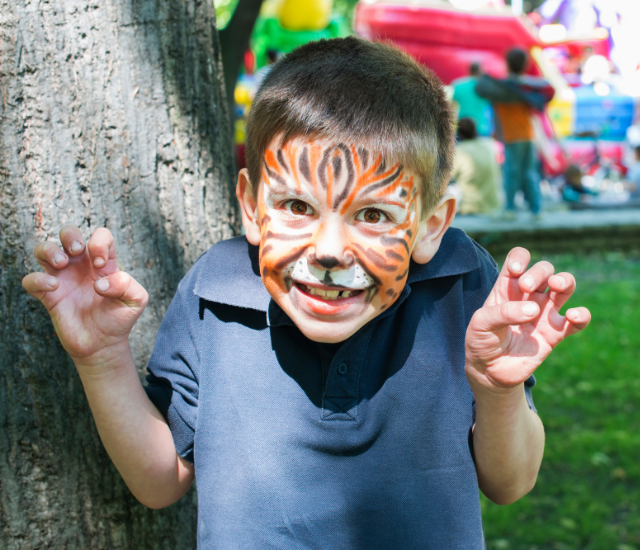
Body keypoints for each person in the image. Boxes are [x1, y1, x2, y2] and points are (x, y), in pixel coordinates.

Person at [22, 37, 590, 549]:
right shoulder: (214, 292)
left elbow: (511, 483)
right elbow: (159, 481)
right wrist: (100, 359)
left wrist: (495, 390)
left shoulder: (462, 288)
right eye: (297, 207)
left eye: (372, 214)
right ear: (251, 206)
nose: (329, 249)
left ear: (430, 226)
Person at [476, 48, 554, 220]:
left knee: (511, 172)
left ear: (508, 63)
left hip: (512, 136)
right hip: (528, 135)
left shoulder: (499, 87)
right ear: (525, 65)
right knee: (530, 173)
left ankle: (510, 210)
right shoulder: (528, 87)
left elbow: (481, 88)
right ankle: (536, 210)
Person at [451, 117, 502, 214]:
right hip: (493, 205)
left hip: (470, 207)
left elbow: (448, 177)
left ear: (459, 134)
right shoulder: (490, 144)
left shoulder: (460, 150)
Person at [451, 62, 494, 137]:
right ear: (480, 71)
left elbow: (452, 105)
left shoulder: (458, 85)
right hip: (482, 128)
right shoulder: (487, 87)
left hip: (463, 129)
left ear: (470, 71)